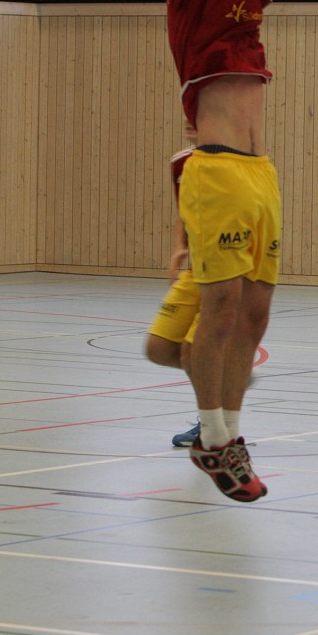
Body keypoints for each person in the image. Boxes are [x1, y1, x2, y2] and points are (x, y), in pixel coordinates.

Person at [165, 0, 281, 502]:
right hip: (216, 167)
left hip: (261, 173)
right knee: (221, 309)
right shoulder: (193, 6)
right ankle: (211, 438)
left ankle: (230, 437)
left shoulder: (250, 8)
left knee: (255, 314)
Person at [145, 122, 203, 448]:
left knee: (197, 351)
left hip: (223, 271)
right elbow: (185, 212)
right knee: (159, 348)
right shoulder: (180, 162)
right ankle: (225, 376)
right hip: (194, 271)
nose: (189, 121)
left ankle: (214, 424)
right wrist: (179, 248)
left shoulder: (237, 162)